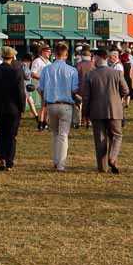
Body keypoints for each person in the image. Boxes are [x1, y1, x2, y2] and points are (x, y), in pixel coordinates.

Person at [80, 48, 128, 174]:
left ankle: (103, 167)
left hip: (96, 112)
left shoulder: (90, 75)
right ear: (106, 58)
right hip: (115, 110)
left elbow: (86, 97)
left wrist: (85, 114)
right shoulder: (116, 73)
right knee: (117, 136)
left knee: (100, 139)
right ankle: (112, 157)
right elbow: (126, 91)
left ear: (97, 58)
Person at [36, 43, 79, 172]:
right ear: (66, 55)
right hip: (66, 105)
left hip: (51, 104)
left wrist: (45, 99)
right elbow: (75, 89)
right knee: (63, 135)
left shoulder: (46, 69)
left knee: (54, 134)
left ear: (55, 54)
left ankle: (55, 161)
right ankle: (61, 164)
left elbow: (41, 88)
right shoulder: (72, 70)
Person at [0, 46, 26, 171]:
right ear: (12, 57)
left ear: (2, 56)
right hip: (14, 108)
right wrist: (22, 108)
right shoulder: (16, 71)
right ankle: (9, 160)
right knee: (11, 135)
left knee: (1, 133)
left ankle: (2, 157)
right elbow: (20, 92)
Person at [30, 44, 51, 130]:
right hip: (40, 85)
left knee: (46, 105)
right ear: (42, 51)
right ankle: (41, 123)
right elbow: (32, 74)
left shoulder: (49, 62)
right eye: (48, 51)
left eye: (50, 52)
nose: (49, 53)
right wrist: (42, 78)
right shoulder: (37, 61)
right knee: (44, 104)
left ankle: (44, 123)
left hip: (48, 85)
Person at [74, 47, 95, 128]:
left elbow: (75, 77)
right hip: (90, 88)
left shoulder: (79, 65)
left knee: (79, 106)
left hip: (80, 88)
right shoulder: (93, 65)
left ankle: (81, 121)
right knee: (89, 105)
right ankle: (89, 120)